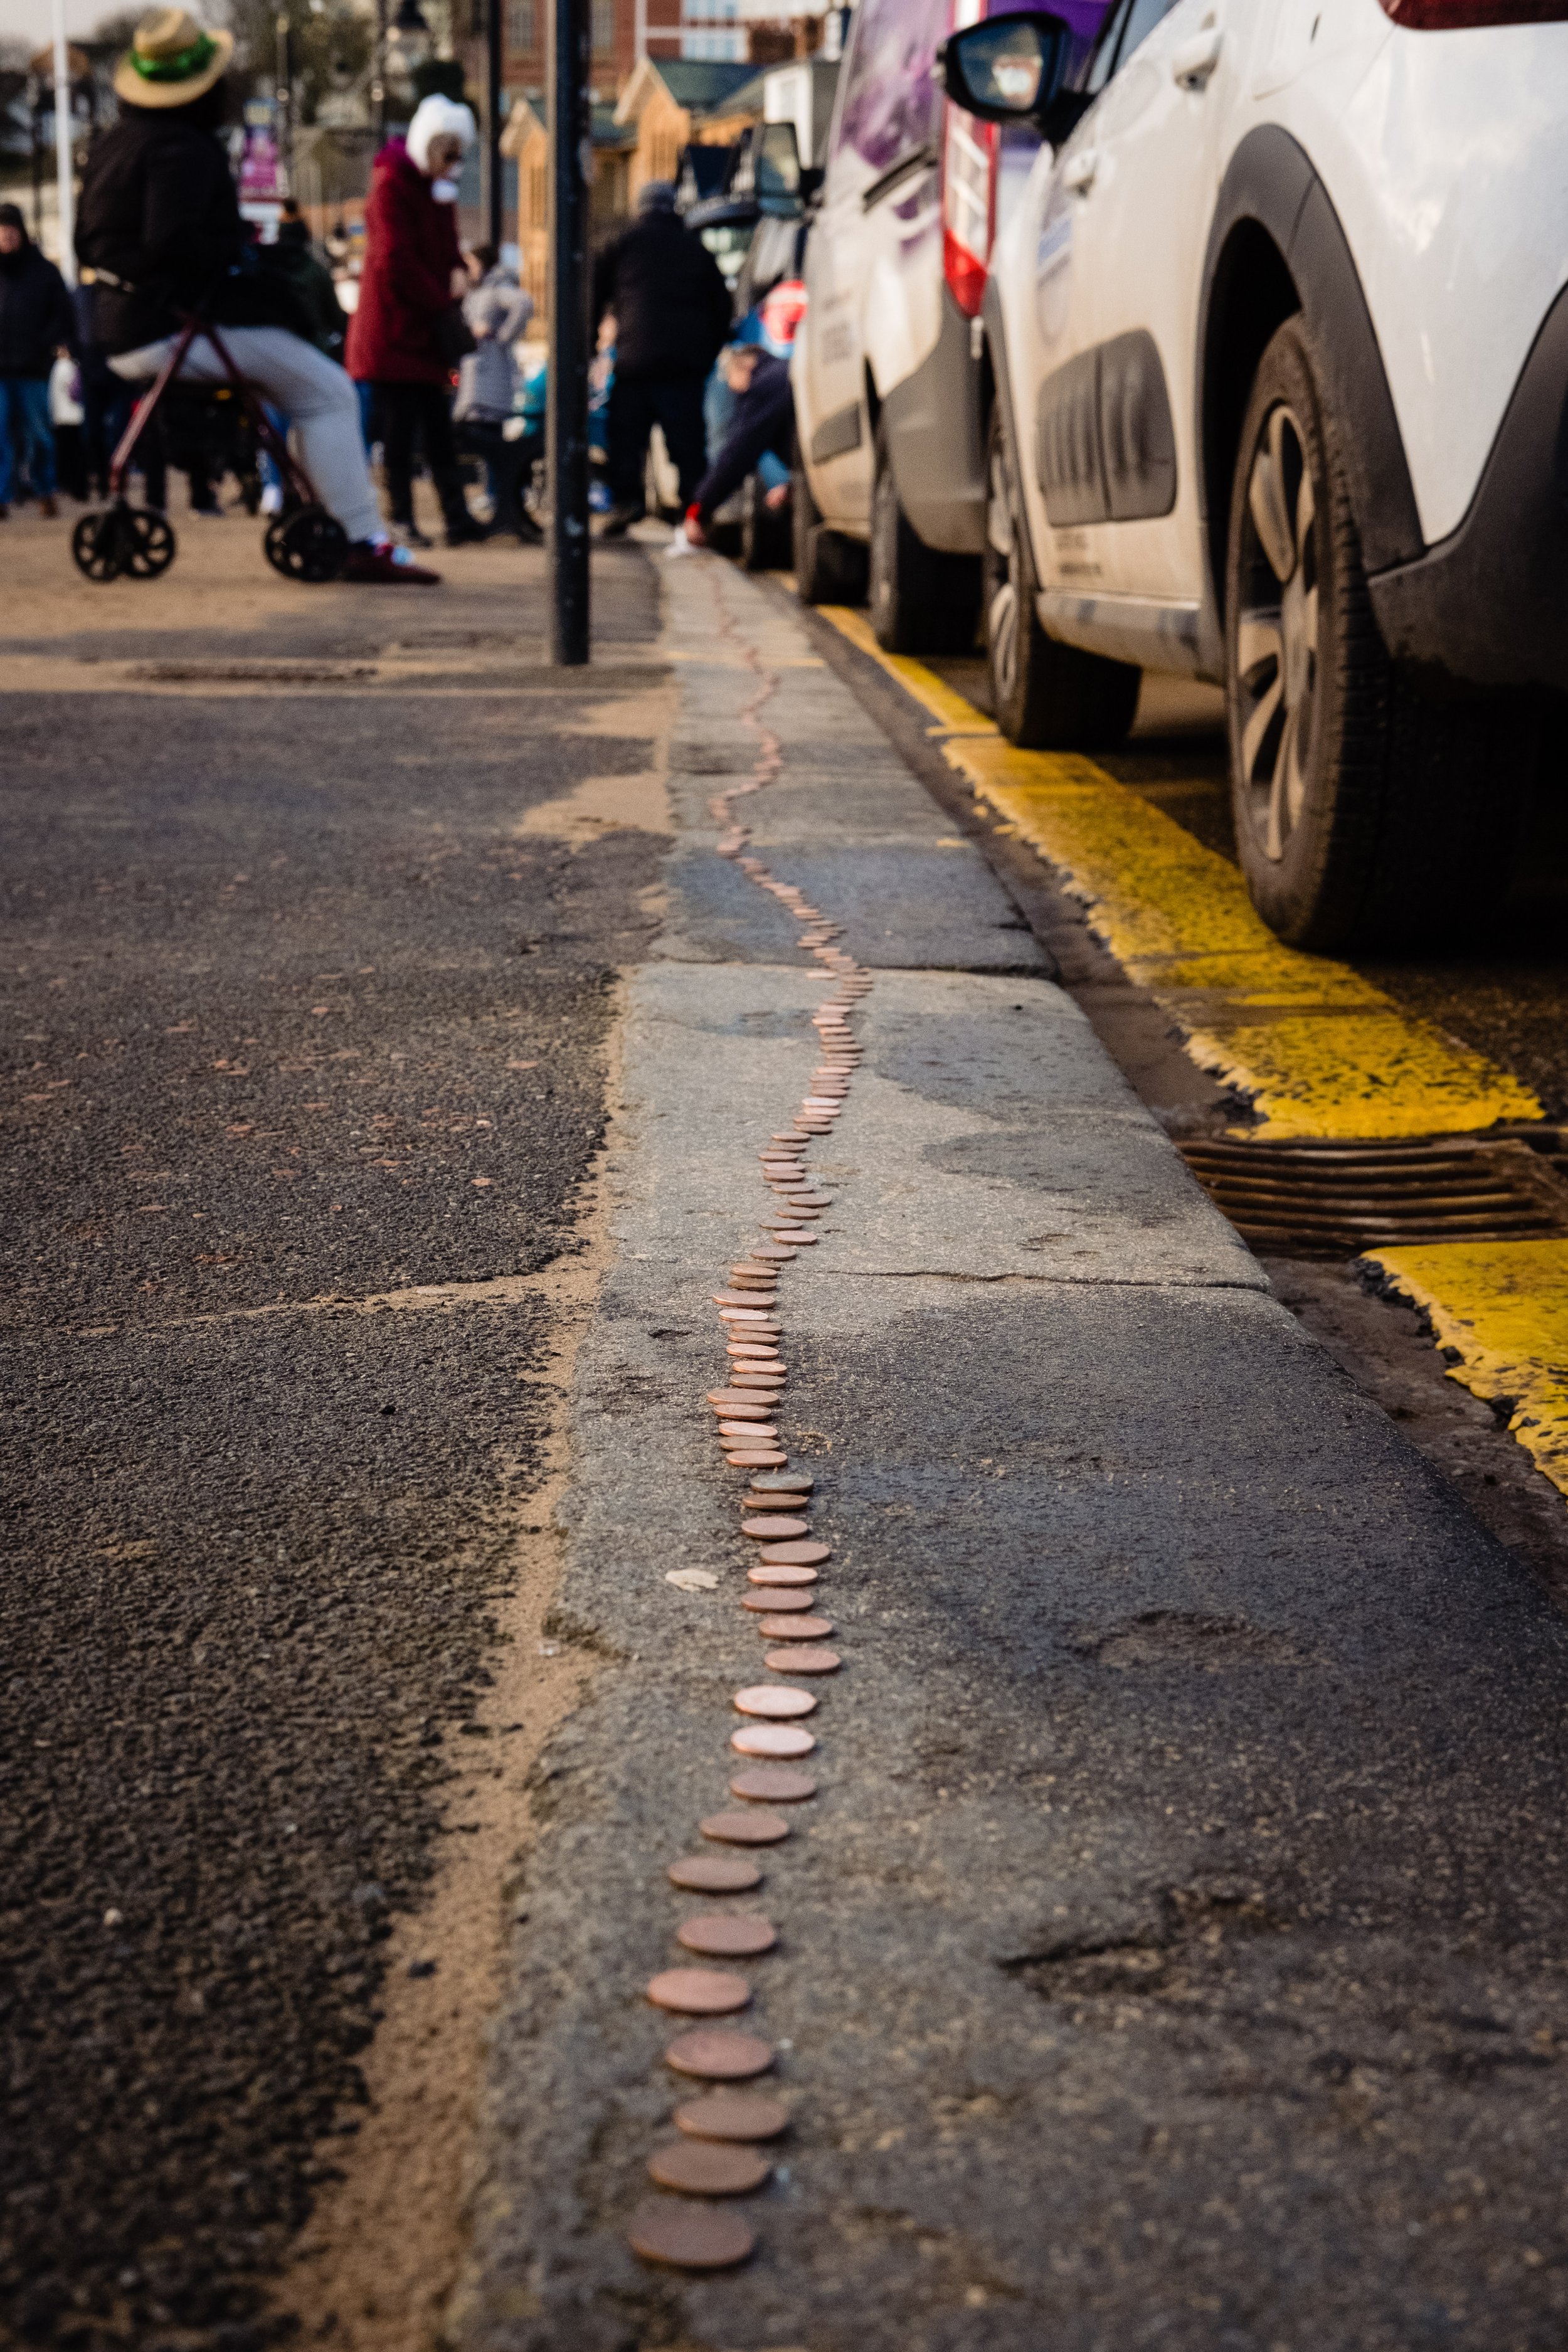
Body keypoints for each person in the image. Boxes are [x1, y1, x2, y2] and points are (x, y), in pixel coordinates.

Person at [75, 6, 438, 581]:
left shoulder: (113, 144)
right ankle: (360, 537)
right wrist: (239, 257)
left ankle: (318, 510)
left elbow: (93, 243)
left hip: (120, 324)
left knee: (300, 383)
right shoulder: (182, 150)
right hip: (170, 324)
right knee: (327, 391)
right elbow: (175, 242)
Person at [347, 95, 484, 551]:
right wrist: (443, 297)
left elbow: (441, 248)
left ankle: (455, 516)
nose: (454, 165)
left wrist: (457, 270)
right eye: (448, 154)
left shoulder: (434, 191)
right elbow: (394, 260)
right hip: (394, 333)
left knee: (438, 433)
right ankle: (403, 517)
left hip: (423, 331)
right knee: (400, 434)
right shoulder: (391, 184)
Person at [591, 180, 732, 538]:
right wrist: (707, 355)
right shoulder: (695, 249)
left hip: (634, 363)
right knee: (687, 446)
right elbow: (722, 308)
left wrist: (590, 342)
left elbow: (592, 293)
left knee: (626, 439)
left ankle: (627, 502)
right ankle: (693, 513)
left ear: (641, 207)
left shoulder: (622, 245)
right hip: (684, 369)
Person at [453, 241, 539, 543]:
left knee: (489, 439)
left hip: (489, 377)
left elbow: (524, 304)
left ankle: (497, 498)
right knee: (485, 441)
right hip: (477, 376)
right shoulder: (480, 292)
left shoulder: (496, 289)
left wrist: (501, 337)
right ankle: (495, 498)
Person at [0, 202, 77, 520]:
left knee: (39, 436)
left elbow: (63, 316)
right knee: (0, 436)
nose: (6, 236)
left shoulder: (44, 272)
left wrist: (51, 343)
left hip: (33, 369)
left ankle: (45, 491)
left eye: (11, 230)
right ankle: (2, 498)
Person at [679, 342, 793, 548]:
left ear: (742, 367)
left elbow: (738, 454)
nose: (733, 391)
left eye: (729, 379)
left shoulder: (764, 385)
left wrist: (698, 509)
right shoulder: (784, 373)